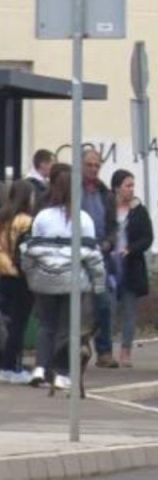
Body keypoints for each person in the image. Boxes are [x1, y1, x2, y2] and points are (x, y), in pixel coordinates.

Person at [20, 164, 106, 390]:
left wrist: (31, 275)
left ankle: (40, 368)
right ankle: (61, 373)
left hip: (44, 280)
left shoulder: (42, 217)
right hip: (72, 281)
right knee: (67, 328)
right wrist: (99, 284)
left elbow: (30, 250)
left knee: (46, 325)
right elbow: (93, 256)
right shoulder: (83, 219)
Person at [110, 169, 153, 368]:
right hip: (110, 267)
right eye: (127, 185)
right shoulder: (108, 208)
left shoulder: (138, 211)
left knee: (129, 312)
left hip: (131, 267)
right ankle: (105, 350)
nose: (131, 189)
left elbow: (147, 237)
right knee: (108, 310)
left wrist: (131, 249)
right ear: (117, 188)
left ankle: (126, 351)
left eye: (132, 185)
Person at [81, 149, 119, 368]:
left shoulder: (106, 194)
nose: (93, 169)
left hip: (99, 255)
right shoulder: (73, 191)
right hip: (76, 255)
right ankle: (77, 343)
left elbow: (113, 227)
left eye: (97, 165)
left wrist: (108, 243)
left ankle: (104, 351)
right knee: (77, 304)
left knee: (104, 304)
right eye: (89, 165)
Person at [0, 180, 35, 384]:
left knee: (4, 322)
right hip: (18, 277)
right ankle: (12, 366)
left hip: (2, 273)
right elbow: (25, 252)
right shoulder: (26, 222)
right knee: (18, 324)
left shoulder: (3, 217)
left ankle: (3, 363)